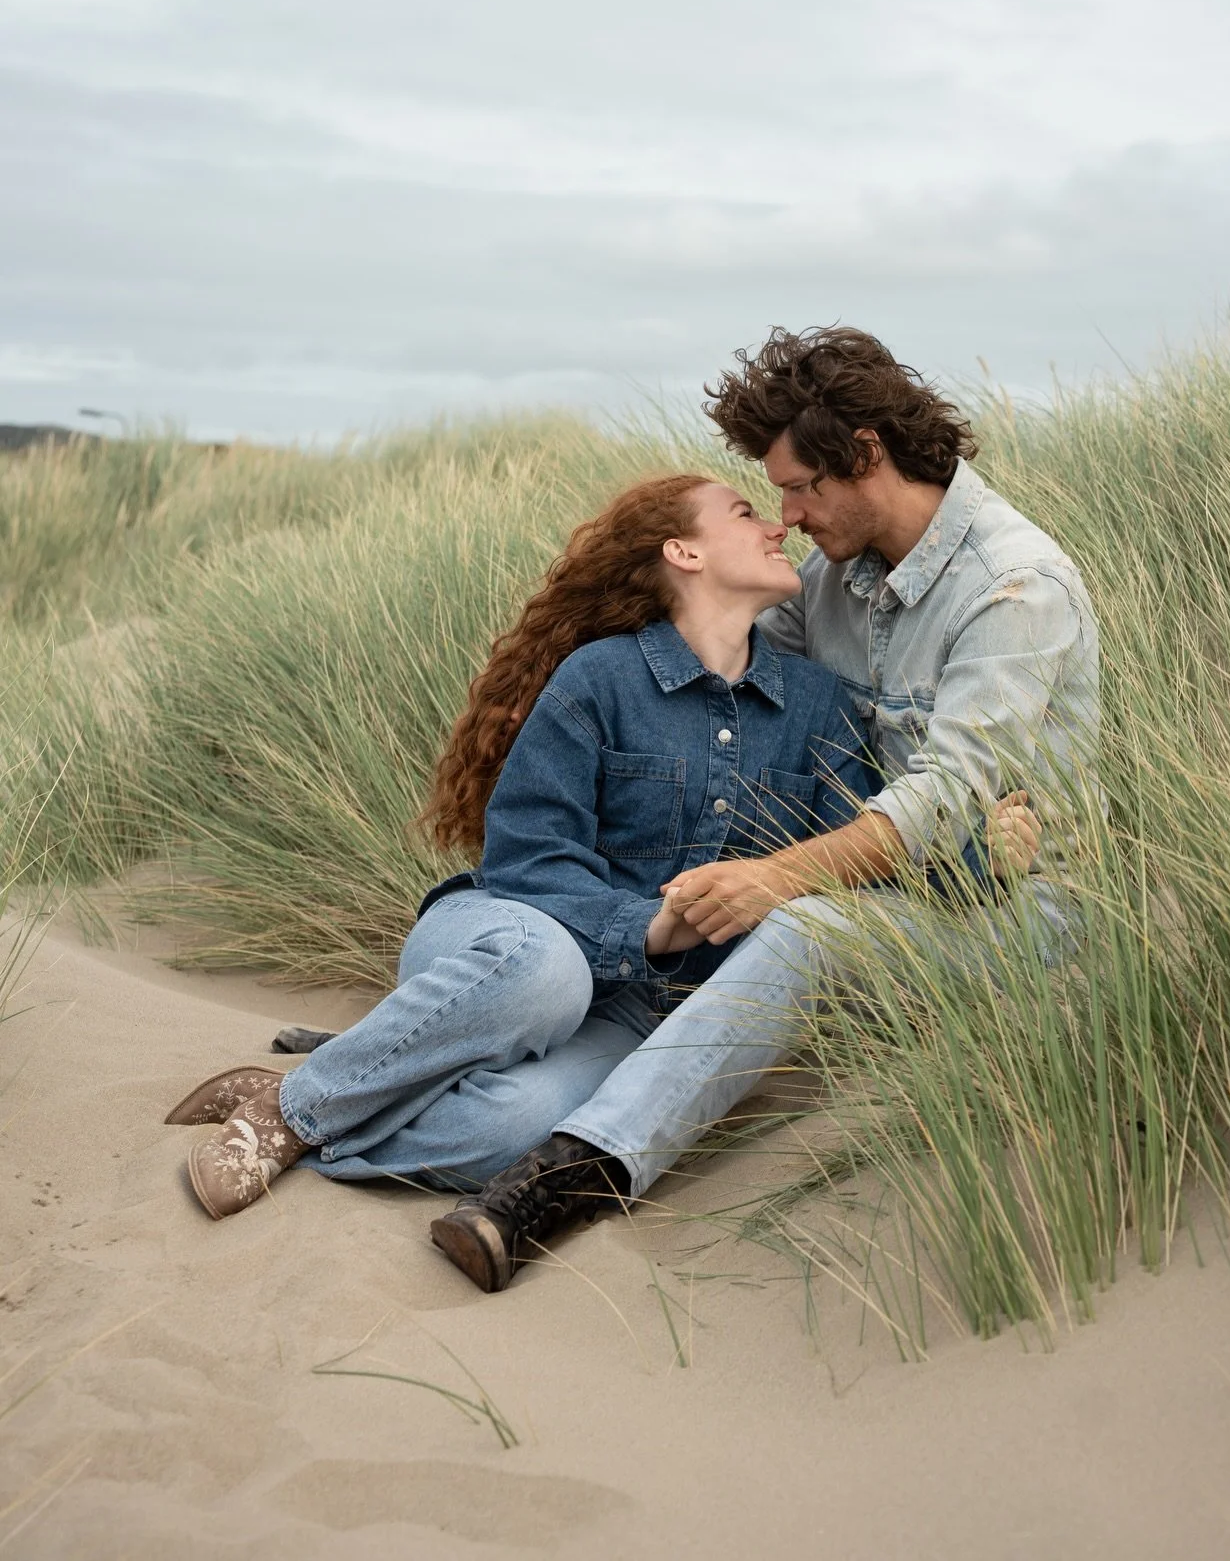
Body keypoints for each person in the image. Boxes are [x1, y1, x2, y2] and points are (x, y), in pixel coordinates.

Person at [165, 469, 1045, 1274]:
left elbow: (854, 853)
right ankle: (296, 1112)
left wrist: (979, 854)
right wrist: (649, 928)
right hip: (504, 938)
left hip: (641, 1009)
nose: (778, 526)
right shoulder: (599, 679)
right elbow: (528, 859)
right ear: (684, 551)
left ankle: (332, 1092)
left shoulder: (815, 707)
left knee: (513, 1129)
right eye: (745, 512)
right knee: (545, 975)